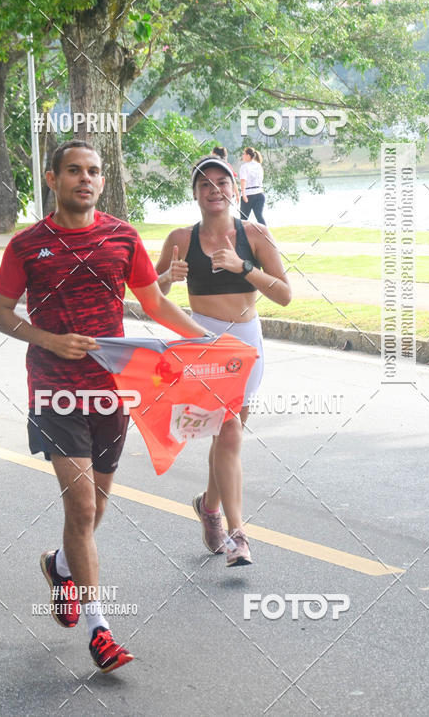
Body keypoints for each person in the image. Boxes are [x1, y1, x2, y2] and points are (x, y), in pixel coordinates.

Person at [0, 140, 208, 674]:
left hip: (111, 390)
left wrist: (205, 339)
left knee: (97, 511)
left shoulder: (121, 237)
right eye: (73, 171)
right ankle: (100, 631)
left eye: (93, 171)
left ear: (101, 182)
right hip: (55, 390)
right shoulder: (27, 246)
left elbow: (153, 302)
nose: (84, 179)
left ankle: (59, 566)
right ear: (52, 179)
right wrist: (46, 338)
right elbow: (2, 315)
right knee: (83, 509)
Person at [156, 155, 291, 566]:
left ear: (234, 190)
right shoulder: (181, 237)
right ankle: (238, 536)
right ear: (195, 193)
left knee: (227, 435)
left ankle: (208, 506)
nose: (214, 190)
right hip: (205, 347)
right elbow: (147, 294)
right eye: (204, 184)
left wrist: (243, 266)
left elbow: (284, 294)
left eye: (221, 183)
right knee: (228, 432)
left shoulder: (255, 234)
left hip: (246, 347)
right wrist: (167, 278)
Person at [239, 147, 266, 225]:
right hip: (260, 193)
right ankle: (266, 235)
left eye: (243, 154)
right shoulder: (259, 165)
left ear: (248, 155)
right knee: (259, 217)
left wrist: (243, 194)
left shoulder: (244, 167)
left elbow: (243, 180)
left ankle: (241, 236)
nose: (242, 156)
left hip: (248, 194)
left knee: (243, 218)